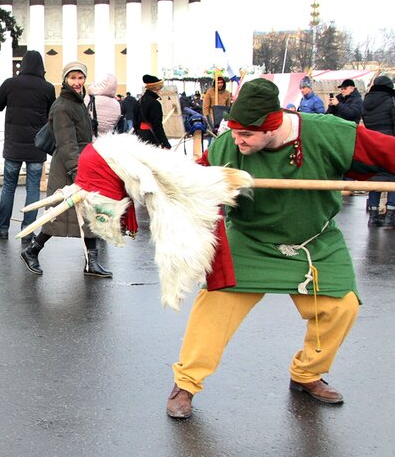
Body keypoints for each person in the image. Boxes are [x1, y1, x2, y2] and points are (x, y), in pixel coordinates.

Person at [166, 78, 395, 419]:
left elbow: (385, 152)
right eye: (234, 131)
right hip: (251, 240)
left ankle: (307, 373)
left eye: (247, 135)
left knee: (342, 306)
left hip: (314, 242)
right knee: (213, 307)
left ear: (272, 127)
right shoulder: (229, 145)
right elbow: (190, 183)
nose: (237, 141)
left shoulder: (329, 133)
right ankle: (185, 384)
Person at [20, 61, 112, 278]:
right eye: (73, 78)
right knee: (58, 216)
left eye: (80, 78)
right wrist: (78, 172)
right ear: (65, 80)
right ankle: (32, 250)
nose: (77, 82)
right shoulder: (62, 106)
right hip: (70, 166)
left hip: (82, 162)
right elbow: (67, 143)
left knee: (86, 213)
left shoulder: (78, 102)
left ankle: (91, 261)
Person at [0, 50, 55, 242]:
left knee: (8, 187)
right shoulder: (47, 88)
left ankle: (2, 229)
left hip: (13, 145)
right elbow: (52, 113)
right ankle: (28, 229)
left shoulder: (11, 84)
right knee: (33, 188)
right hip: (37, 146)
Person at [361, 74, 395, 226]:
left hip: (372, 142)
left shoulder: (366, 102)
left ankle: (373, 216)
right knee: (393, 179)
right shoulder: (391, 100)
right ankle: (390, 216)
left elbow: (366, 122)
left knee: (375, 178)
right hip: (390, 142)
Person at [135, 75, 171, 149]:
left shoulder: (139, 101)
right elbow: (157, 125)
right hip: (151, 136)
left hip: (141, 136)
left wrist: (139, 134)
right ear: (156, 89)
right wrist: (165, 143)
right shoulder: (155, 103)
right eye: (160, 88)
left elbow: (135, 122)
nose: (161, 91)